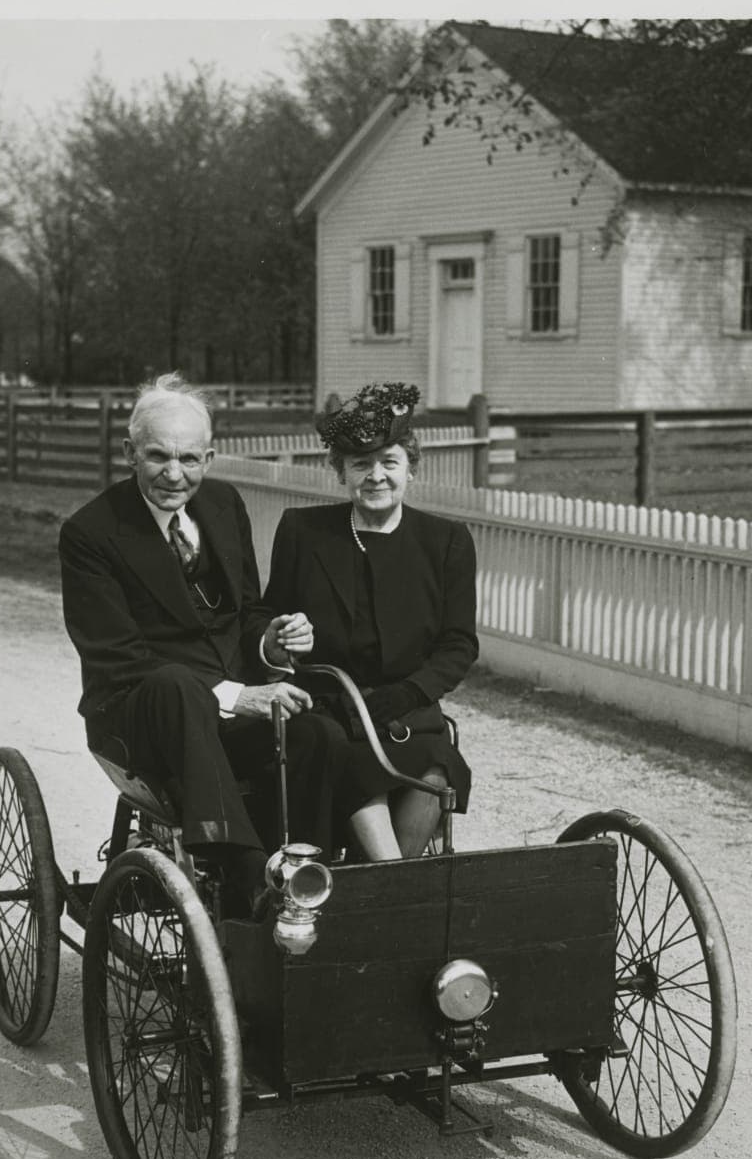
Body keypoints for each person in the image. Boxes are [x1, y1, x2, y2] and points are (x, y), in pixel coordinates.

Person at [58, 372, 347, 912]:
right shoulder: (90, 534)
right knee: (175, 685)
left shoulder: (222, 505)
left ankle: (305, 878)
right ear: (129, 453)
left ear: (209, 458)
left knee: (316, 733)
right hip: (140, 716)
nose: (174, 474)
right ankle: (242, 874)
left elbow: (247, 611)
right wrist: (241, 696)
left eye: (189, 459)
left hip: (225, 712)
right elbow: (119, 660)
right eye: (158, 456)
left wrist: (272, 645)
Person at [262, 381, 478, 860]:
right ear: (340, 472)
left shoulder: (446, 543)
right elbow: (267, 614)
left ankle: (384, 890)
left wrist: (408, 693)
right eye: (361, 464)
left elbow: (459, 645)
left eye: (389, 463)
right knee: (350, 758)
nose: (376, 476)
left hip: (407, 710)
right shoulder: (304, 533)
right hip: (327, 711)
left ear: (411, 469)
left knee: (437, 770)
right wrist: (278, 638)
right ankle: (393, 888)